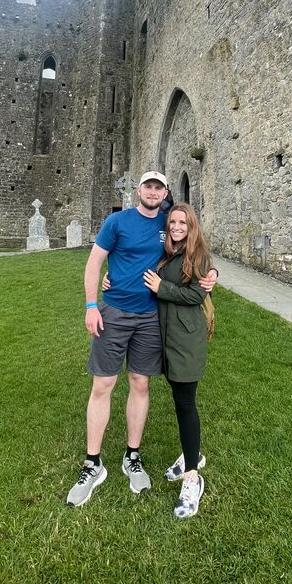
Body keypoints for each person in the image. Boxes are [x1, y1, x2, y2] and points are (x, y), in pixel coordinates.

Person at [66, 172, 217, 508]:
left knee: (140, 383)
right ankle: (93, 464)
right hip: (114, 312)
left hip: (151, 318)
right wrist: (92, 304)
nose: (152, 191)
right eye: (147, 186)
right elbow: (94, 262)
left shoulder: (170, 223)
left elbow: (195, 248)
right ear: (138, 190)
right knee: (102, 385)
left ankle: (131, 456)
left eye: (158, 187)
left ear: (164, 193)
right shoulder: (117, 221)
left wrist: (212, 273)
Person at [143, 202, 211, 519]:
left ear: (191, 225)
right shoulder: (168, 253)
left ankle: (193, 478)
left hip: (186, 341)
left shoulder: (196, 254)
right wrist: (110, 282)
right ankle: (190, 453)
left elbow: (197, 295)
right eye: (172, 222)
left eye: (182, 222)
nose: (177, 226)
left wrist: (162, 287)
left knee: (185, 404)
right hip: (168, 340)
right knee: (180, 401)